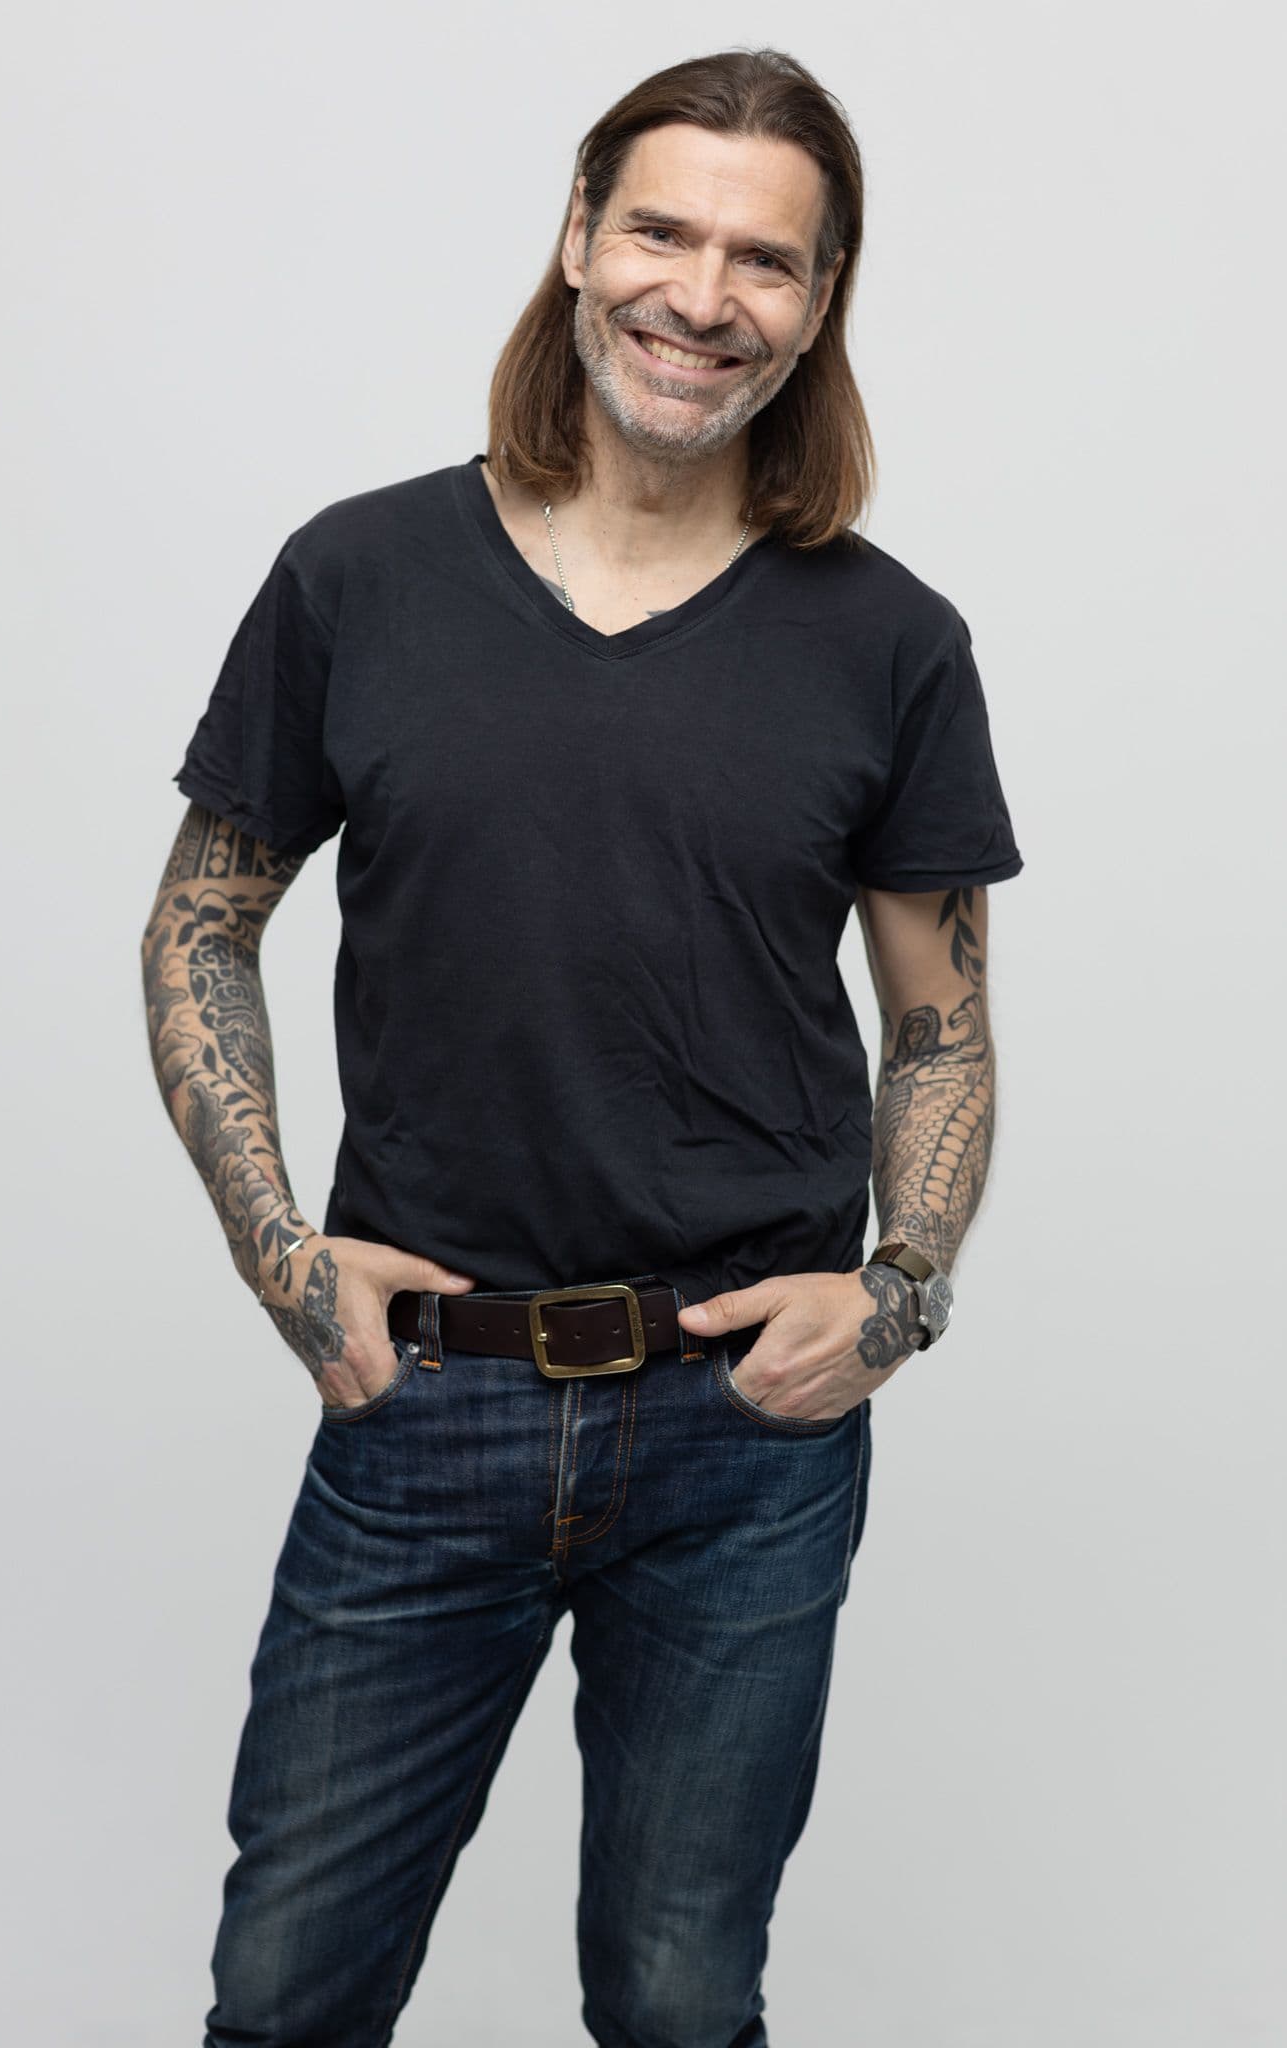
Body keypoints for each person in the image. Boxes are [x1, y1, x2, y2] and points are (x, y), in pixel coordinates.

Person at [141, 45, 1023, 2048]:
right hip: (426, 1398)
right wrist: (282, 1253)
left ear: (818, 300)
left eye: (764, 260)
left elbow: (940, 1028)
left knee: (679, 1999)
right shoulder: (359, 576)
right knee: (283, 1995)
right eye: (660, 232)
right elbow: (199, 921)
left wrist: (897, 1292)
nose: (701, 298)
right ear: (573, 237)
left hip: (741, 1434)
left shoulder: (889, 643)